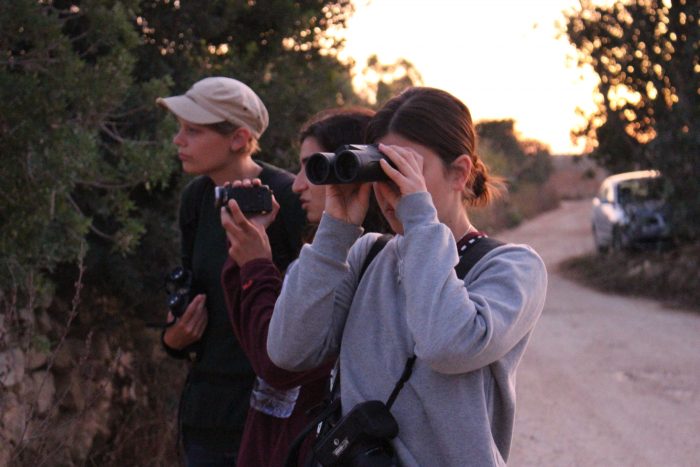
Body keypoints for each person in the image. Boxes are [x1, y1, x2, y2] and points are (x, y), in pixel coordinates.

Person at [266, 87, 548, 466]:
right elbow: (288, 349)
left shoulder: (512, 268)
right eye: (383, 171)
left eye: (406, 170)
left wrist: (419, 219)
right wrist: (334, 234)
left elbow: (445, 344)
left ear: (460, 172)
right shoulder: (368, 254)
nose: (392, 190)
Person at [219, 108, 387, 467]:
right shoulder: (319, 261)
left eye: (312, 167)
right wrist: (247, 259)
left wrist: (256, 268)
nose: (297, 184)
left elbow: (278, 364)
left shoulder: (361, 266)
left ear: (350, 167)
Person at [156, 76, 305, 466]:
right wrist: (173, 338)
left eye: (193, 130)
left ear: (238, 138)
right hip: (206, 416)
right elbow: (193, 302)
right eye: (180, 129)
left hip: (270, 422)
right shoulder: (197, 199)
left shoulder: (288, 198)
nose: (178, 140)